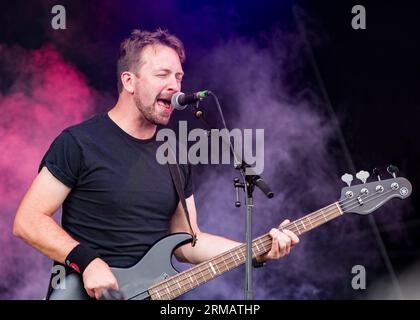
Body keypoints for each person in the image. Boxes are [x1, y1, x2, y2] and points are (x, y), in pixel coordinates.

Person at [12, 28, 299, 300]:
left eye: (178, 77)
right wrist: (87, 262)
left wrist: (256, 251)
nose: (174, 86)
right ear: (129, 81)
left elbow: (188, 241)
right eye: (162, 74)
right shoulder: (78, 142)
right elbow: (28, 220)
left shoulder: (174, 155)